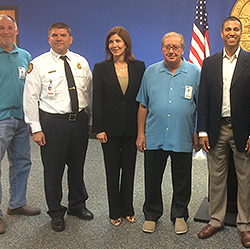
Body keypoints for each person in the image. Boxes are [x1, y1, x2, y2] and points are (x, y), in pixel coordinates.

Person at [197, 16, 250, 248]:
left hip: (244, 132)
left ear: (241, 33)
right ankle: (215, 219)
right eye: (228, 29)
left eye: (236, 29)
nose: (232, 32)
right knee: (215, 178)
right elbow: (204, 98)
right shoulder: (209, 62)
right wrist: (203, 130)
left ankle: (246, 225)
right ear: (221, 33)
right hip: (216, 129)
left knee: (246, 179)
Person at [23, 22, 93, 232]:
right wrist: (35, 128)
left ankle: (77, 205)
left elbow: (88, 94)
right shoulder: (38, 64)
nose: (59, 38)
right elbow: (30, 98)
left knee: (77, 167)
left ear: (70, 39)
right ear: (49, 38)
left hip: (79, 121)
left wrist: (90, 122)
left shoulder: (81, 62)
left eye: (63, 35)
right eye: (55, 35)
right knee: (53, 171)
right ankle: (56, 211)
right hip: (53, 124)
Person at [136, 32, 200, 235]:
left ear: (183, 49)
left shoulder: (194, 73)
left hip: (182, 135)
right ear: (162, 49)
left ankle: (179, 215)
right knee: (152, 178)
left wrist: (198, 132)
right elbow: (143, 105)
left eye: (175, 47)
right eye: (167, 47)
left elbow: (201, 106)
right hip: (154, 135)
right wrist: (140, 133)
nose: (171, 51)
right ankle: (152, 214)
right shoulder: (151, 72)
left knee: (182, 179)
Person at [93, 26, 145, 227]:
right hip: (110, 130)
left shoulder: (139, 66)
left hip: (132, 129)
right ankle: (114, 211)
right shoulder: (101, 68)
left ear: (126, 44)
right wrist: (99, 128)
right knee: (112, 171)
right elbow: (97, 99)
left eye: (118, 41)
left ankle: (128, 209)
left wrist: (142, 130)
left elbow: (142, 99)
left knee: (129, 170)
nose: (115, 45)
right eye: (111, 42)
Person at [0, 14, 40, 234]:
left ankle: (16, 204)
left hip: (21, 118)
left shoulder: (25, 56)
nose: (6, 32)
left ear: (16, 30)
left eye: (10, 27)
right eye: (1, 28)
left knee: (22, 162)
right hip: (0, 119)